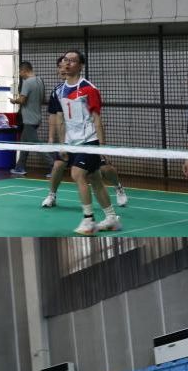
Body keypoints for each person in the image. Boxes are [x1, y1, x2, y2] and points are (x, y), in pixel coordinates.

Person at [48, 50, 121, 235]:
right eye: (66, 60)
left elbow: (97, 119)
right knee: (95, 179)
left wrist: (102, 147)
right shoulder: (59, 90)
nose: (67, 63)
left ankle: (88, 220)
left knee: (77, 173)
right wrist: (63, 144)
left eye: (72, 61)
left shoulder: (89, 89)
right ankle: (111, 218)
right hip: (72, 142)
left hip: (89, 140)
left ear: (81, 66)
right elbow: (61, 119)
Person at [9, 61, 43, 175]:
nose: (20, 74)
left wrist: (14, 101)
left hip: (29, 119)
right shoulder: (39, 80)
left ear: (24, 70)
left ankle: (54, 165)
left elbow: (22, 100)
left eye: (20, 72)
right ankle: (20, 167)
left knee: (36, 145)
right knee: (24, 143)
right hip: (36, 116)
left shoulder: (27, 82)